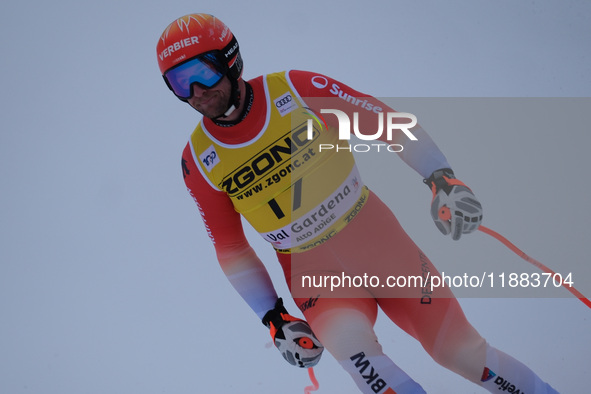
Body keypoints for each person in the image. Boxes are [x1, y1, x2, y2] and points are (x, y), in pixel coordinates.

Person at [156, 13, 559, 393]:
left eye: (202, 73)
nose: (196, 92)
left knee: (462, 354)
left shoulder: (294, 88)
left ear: (231, 60)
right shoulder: (198, 159)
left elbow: (388, 122)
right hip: (315, 278)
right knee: (371, 373)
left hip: (381, 246)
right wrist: (274, 318)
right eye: (178, 82)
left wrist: (440, 178)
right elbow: (230, 248)